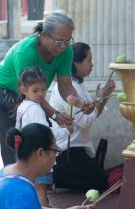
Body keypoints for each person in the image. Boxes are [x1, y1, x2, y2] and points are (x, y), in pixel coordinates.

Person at [0, 10, 94, 166]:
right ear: (43, 35)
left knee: (33, 138)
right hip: (3, 92)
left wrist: (81, 103)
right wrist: (56, 115)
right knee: (17, 141)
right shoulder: (25, 52)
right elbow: (31, 94)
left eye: (67, 40)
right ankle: (16, 179)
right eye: (59, 42)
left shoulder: (66, 51)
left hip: (31, 95)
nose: (63, 46)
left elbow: (65, 85)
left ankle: (34, 179)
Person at [49, 42, 116, 191]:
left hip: (78, 148)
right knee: (99, 181)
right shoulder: (66, 89)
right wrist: (101, 99)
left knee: (101, 179)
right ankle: (55, 178)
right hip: (66, 150)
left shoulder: (79, 84)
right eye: (89, 60)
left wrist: (102, 98)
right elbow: (85, 121)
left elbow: (91, 114)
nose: (92, 64)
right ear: (76, 63)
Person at [0, 123, 92, 209]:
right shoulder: (22, 192)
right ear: (40, 153)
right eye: (55, 151)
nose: (56, 156)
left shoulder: (8, 171)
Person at [15, 66, 73, 207]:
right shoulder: (34, 109)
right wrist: (66, 131)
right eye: (35, 90)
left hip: (28, 156)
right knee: (42, 193)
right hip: (39, 158)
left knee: (35, 191)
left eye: (43, 89)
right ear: (23, 90)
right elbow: (45, 134)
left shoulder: (23, 106)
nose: (40, 94)